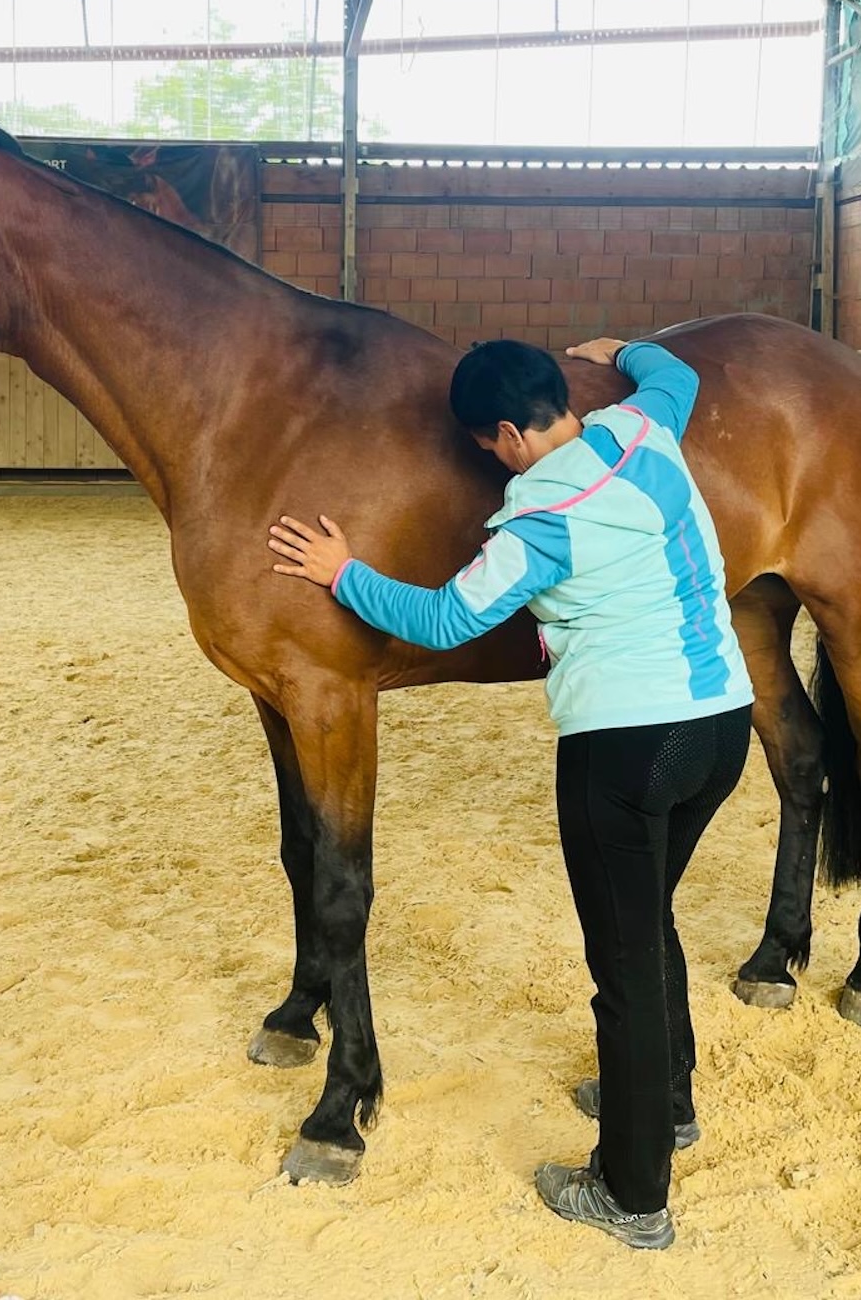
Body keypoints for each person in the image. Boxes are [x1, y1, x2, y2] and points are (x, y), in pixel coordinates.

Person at [269, 335, 754, 1251]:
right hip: (721, 724)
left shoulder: (540, 521)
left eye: (487, 449)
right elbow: (676, 372)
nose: (490, 463)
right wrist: (625, 346)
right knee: (651, 922)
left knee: (623, 972)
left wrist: (343, 575)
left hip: (626, 745)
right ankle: (670, 1103)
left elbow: (447, 617)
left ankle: (633, 1194)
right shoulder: (639, 430)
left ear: (504, 431)